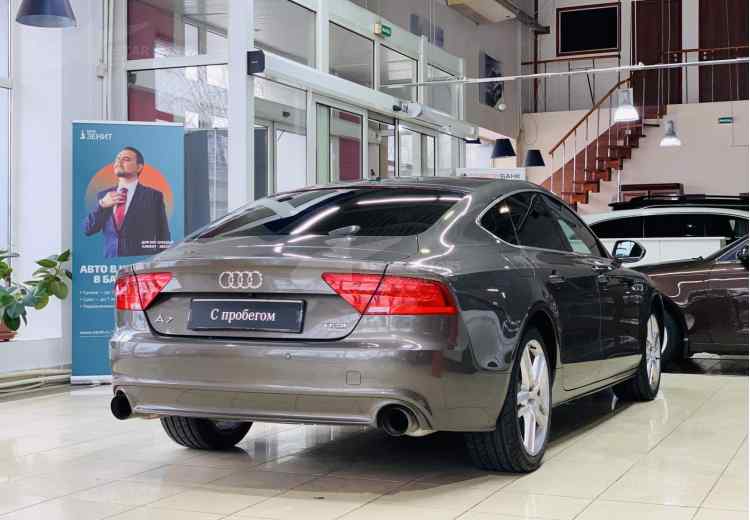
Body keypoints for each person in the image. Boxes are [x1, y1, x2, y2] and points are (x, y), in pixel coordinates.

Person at [83, 147, 171, 258]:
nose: (118, 162)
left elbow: (163, 235)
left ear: (139, 167)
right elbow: (88, 229)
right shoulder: (103, 196)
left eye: (126, 159)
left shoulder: (154, 196)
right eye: (117, 159)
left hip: (140, 263)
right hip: (111, 263)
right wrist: (102, 205)